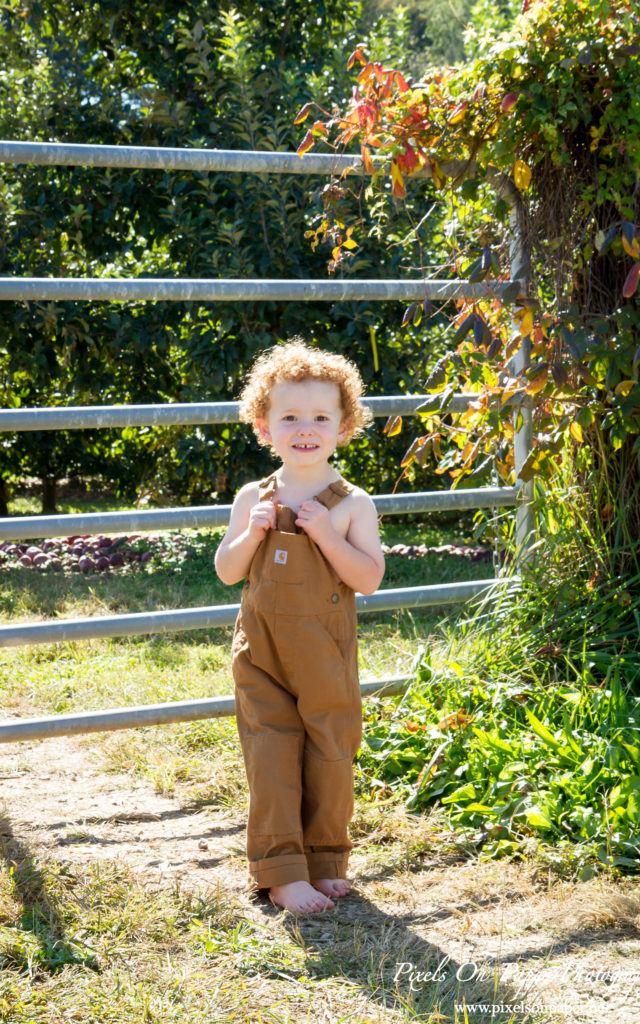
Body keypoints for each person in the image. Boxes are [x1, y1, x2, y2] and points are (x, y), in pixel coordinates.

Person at [215, 340, 385, 913]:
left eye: (320, 417)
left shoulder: (351, 503)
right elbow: (227, 571)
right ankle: (282, 870)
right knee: (270, 751)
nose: (305, 428)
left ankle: (325, 860)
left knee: (331, 751)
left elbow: (368, 579)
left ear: (344, 426)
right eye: (289, 416)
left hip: (324, 656)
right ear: (264, 426)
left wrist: (329, 538)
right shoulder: (252, 497)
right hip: (261, 652)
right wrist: (250, 533)